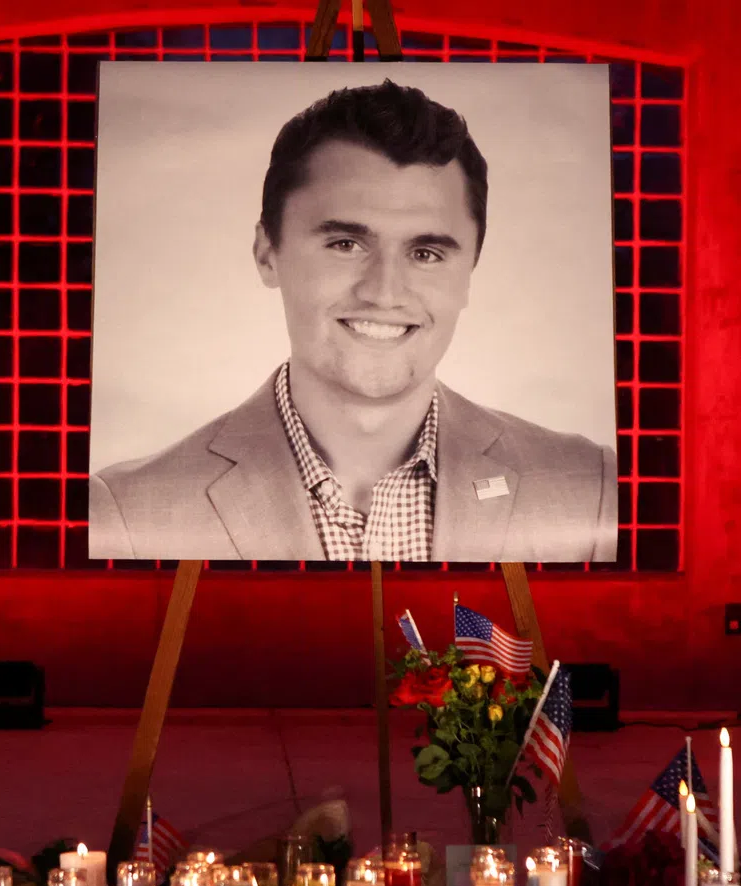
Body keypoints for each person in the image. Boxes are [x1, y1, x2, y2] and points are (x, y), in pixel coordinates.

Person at [90, 79, 617, 563]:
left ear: (470, 271)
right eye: (345, 244)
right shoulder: (126, 515)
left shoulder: (591, 490)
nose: (384, 292)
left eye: (427, 253)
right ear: (267, 253)